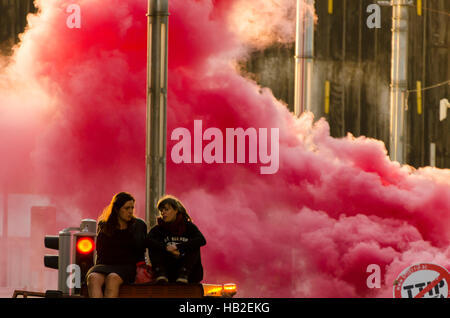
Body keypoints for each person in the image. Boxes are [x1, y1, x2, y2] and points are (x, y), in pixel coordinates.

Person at [86, 192, 147, 298]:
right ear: (117, 209)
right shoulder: (105, 226)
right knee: (93, 278)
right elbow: (100, 251)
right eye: (127, 208)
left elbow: (140, 250)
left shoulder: (138, 225)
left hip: (127, 266)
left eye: (132, 208)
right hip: (105, 265)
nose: (130, 211)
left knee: (112, 279)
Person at [147, 195, 206, 284]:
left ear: (176, 210)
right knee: (153, 245)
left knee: (195, 245)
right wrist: (166, 248)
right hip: (168, 271)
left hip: (188, 273)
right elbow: (147, 241)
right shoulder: (158, 229)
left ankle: (184, 273)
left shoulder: (189, 227)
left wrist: (178, 247)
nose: (163, 213)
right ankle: (160, 273)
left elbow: (202, 240)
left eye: (166, 209)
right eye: (161, 210)